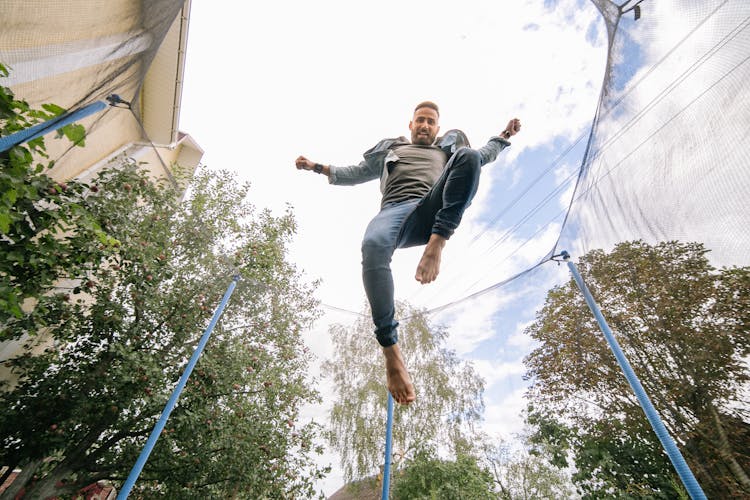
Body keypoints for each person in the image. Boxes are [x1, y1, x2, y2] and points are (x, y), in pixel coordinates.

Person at [296, 101, 520, 405]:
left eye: (431, 122)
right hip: (395, 213)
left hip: (433, 208)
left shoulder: (446, 151)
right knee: (373, 246)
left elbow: (482, 156)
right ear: (411, 125)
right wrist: (317, 167)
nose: (425, 126)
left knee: (468, 156)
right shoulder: (393, 151)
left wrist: (504, 136)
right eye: (420, 121)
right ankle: (391, 350)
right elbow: (356, 172)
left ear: (437, 129)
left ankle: (437, 243)